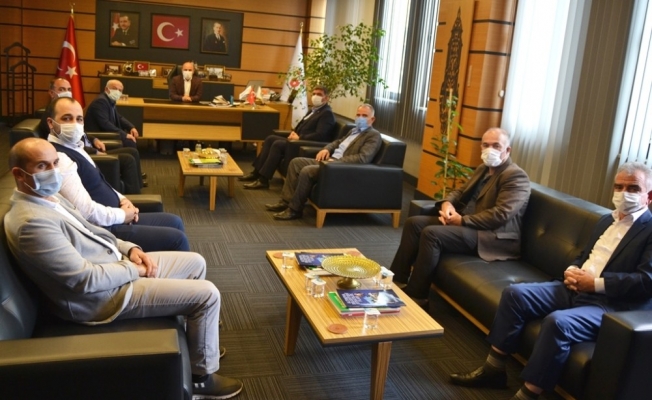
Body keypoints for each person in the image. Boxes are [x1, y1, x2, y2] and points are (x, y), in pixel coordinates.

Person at [4, 138, 243, 399]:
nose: (53, 171)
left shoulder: (49, 198)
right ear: (19, 174)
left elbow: (93, 231)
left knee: (195, 262)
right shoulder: (31, 223)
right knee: (207, 295)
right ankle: (201, 379)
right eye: (42, 166)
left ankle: (200, 344)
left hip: (113, 266)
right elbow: (84, 280)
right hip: (101, 298)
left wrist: (130, 249)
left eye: (55, 163)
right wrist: (133, 269)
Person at [449, 161, 652, 400]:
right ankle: (493, 370)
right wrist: (572, 269)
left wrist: (595, 283)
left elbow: (646, 280)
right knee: (515, 294)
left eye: (633, 188)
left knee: (558, 322)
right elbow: (584, 255)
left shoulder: (648, 229)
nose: (623, 193)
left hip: (611, 304)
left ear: (648, 195)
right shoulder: (606, 220)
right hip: (574, 288)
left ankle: (528, 395)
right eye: (619, 187)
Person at [389, 128, 530, 306]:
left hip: (492, 236)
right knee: (413, 223)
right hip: (469, 225)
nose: (490, 149)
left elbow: (501, 214)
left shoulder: (515, 176)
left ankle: (418, 296)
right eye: (486, 145)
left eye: (496, 146)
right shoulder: (483, 168)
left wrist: (462, 220)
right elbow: (460, 191)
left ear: (507, 150)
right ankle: (395, 281)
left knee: (432, 234)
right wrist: (447, 204)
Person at [46, 97, 190, 253]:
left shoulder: (75, 146)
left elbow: (101, 183)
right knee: (177, 239)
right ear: (51, 123)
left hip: (117, 214)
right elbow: (86, 212)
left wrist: (123, 199)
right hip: (105, 228)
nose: (75, 124)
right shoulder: (59, 159)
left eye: (79, 119)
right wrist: (122, 215)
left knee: (175, 221)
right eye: (67, 118)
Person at [265, 103, 382, 220]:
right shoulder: (353, 130)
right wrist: (326, 149)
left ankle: (294, 210)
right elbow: (337, 142)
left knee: (307, 170)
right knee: (296, 162)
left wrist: (336, 161)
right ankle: (285, 202)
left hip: (339, 167)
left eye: (364, 116)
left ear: (372, 119)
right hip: (329, 162)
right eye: (358, 115)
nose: (360, 118)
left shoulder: (373, 135)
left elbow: (363, 158)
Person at [39, 78, 146, 192]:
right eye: (62, 89)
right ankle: (135, 194)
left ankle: (137, 183)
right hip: (88, 153)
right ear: (51, 93)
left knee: (132, 152)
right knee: (128, 158)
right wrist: (94, 151)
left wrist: (94, 139)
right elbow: (69, 147)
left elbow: (81, 133)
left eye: (69, 89)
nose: (67, 92)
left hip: (91, 145)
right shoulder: (51, 118)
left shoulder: (108, 101)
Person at [239, 85, 337, 189]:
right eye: (314, 94)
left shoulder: (327, 113)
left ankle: (263, 180)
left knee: (277, 144)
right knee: (270, 138)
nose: (315, 96)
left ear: (326, 98)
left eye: (319, 94)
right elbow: (302, 126)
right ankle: (256, 173)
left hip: (304, 144)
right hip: (297, 140)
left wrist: (300, 137)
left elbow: (320, 135)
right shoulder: (313, 110)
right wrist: (293, 133)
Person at [84, 79, 140, 150]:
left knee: (130, 138)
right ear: (106, 89)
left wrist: (131, 127)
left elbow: (118, 117)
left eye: (120, 90)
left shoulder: (109, 100)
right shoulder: (101, 101)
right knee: (130, 142)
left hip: (106, 132)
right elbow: (105, 124)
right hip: (98, 135)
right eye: (115, 89)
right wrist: (124, 135)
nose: (117, 92)